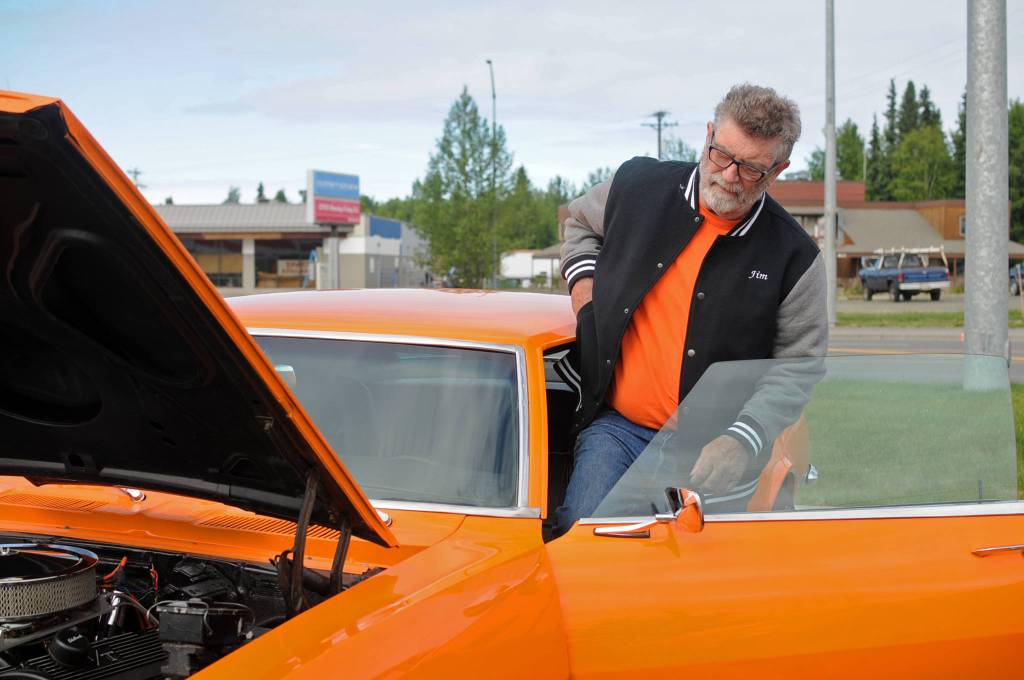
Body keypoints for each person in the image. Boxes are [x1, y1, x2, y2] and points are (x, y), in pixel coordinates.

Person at [551, 84, 827, 536]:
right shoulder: (636, 188)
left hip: (718, 453)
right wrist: (584, 289)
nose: (730, 175)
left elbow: (798, 366)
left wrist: (743, 440)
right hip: (619, 430)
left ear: (779, 170)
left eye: (752, 169)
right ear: (707, 134)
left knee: (700, 579)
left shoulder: (796, 258)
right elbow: (579, 222)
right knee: (580, 544)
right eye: (721, 154)